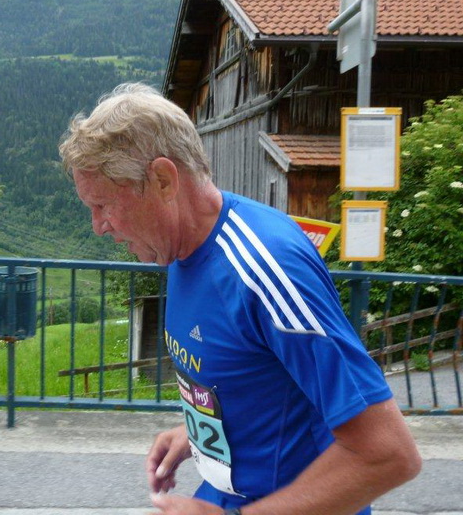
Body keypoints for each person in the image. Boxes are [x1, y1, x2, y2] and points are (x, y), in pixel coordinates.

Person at [58, 83, 422, 515]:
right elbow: (258, 379)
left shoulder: (268, 267)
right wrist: (198, 433)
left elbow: (388, 454)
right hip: (228, 495)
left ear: (163, 180)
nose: (98, 226)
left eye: (103, 205)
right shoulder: (182, 248)